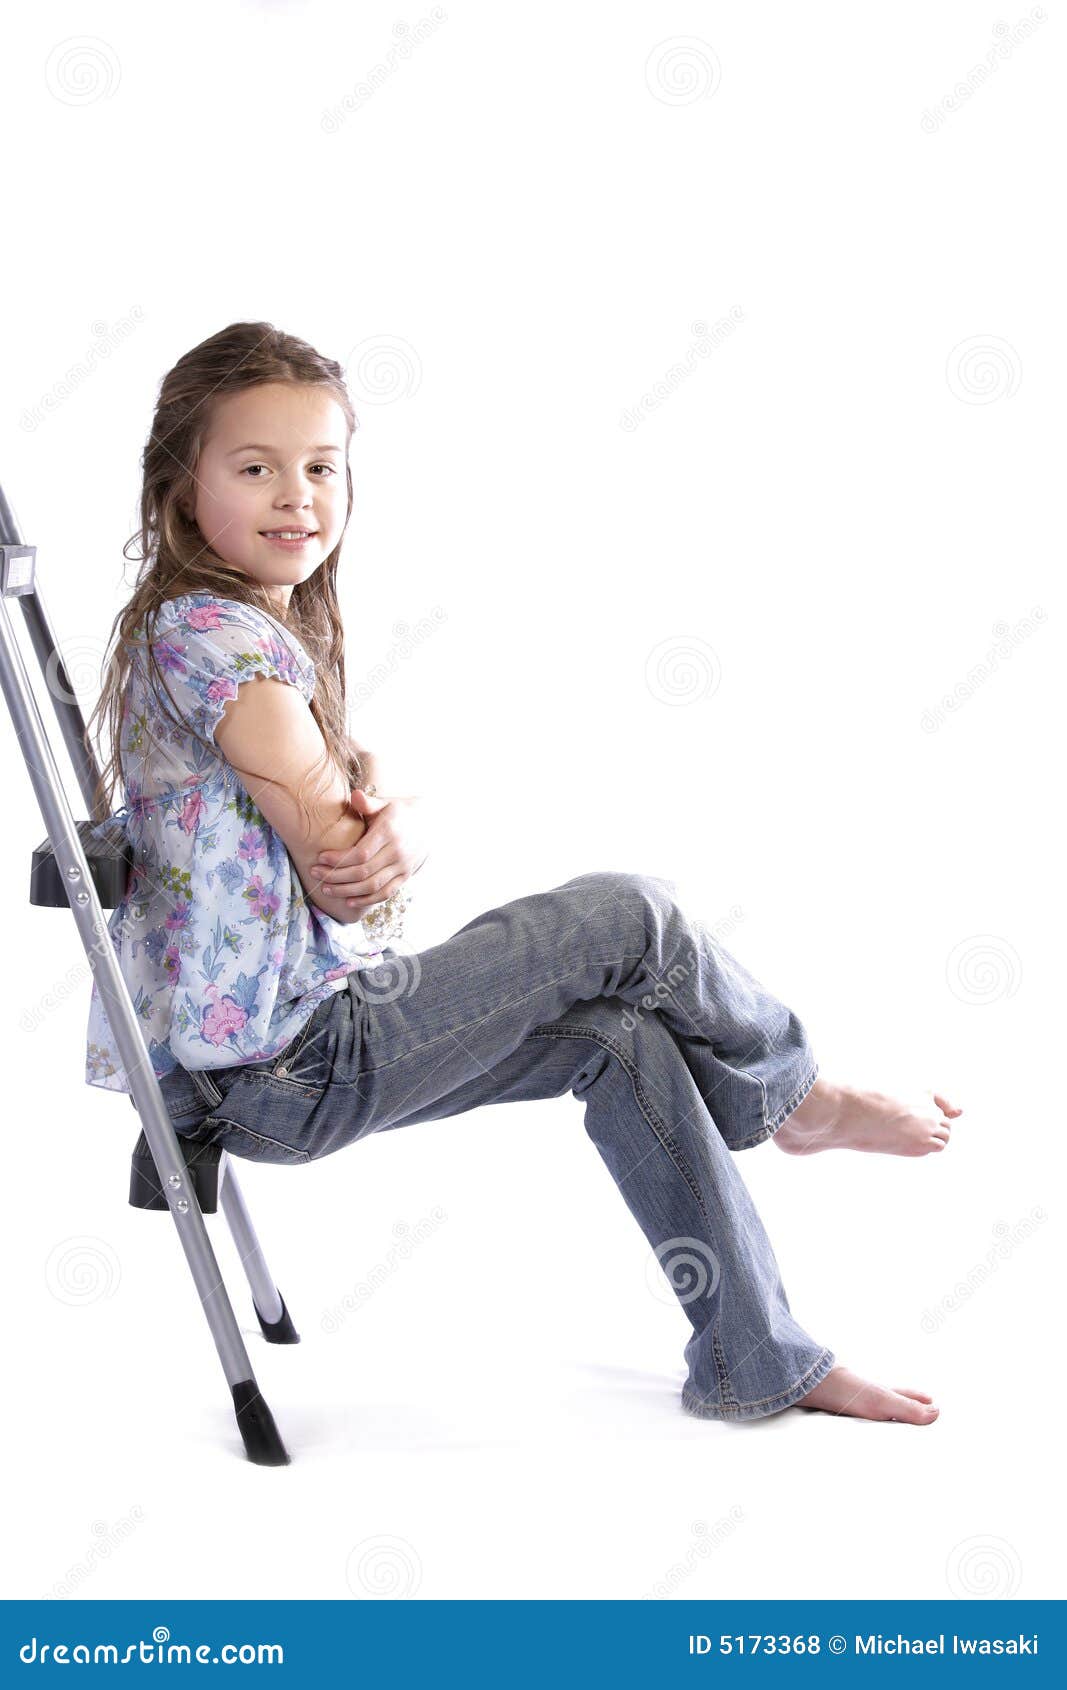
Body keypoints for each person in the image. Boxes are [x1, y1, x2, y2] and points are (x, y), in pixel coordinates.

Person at [85, 321, 963, 1429]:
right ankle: (797, 1098)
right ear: (180, 486)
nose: (296, 494)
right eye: (254, 467)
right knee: (628, 914)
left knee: (619, 1034)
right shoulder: (220, 639)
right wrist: (397, 827)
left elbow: (351, 811)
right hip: (274, 1066)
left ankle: (755, 1354)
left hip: (263, 1054)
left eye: (321, 467)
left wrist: (391, 809)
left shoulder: (227, 628)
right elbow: (345, 867)